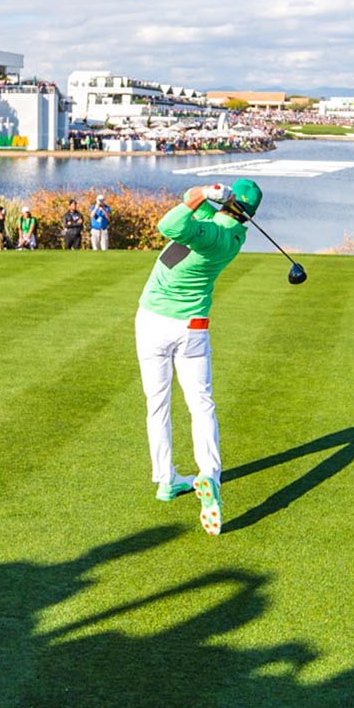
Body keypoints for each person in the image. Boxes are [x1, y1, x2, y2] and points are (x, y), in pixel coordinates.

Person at [134, 177, 262, 537]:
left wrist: (205, 193)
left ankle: (165, 478)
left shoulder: (212, 236)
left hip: (153, 323)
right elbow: (191, 206)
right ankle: (207, 475)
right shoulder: (234, 234)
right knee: (201, 404)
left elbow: (169, 224)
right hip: (192, 327)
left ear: (229, 203)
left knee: (157, 404)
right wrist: (209, 197)